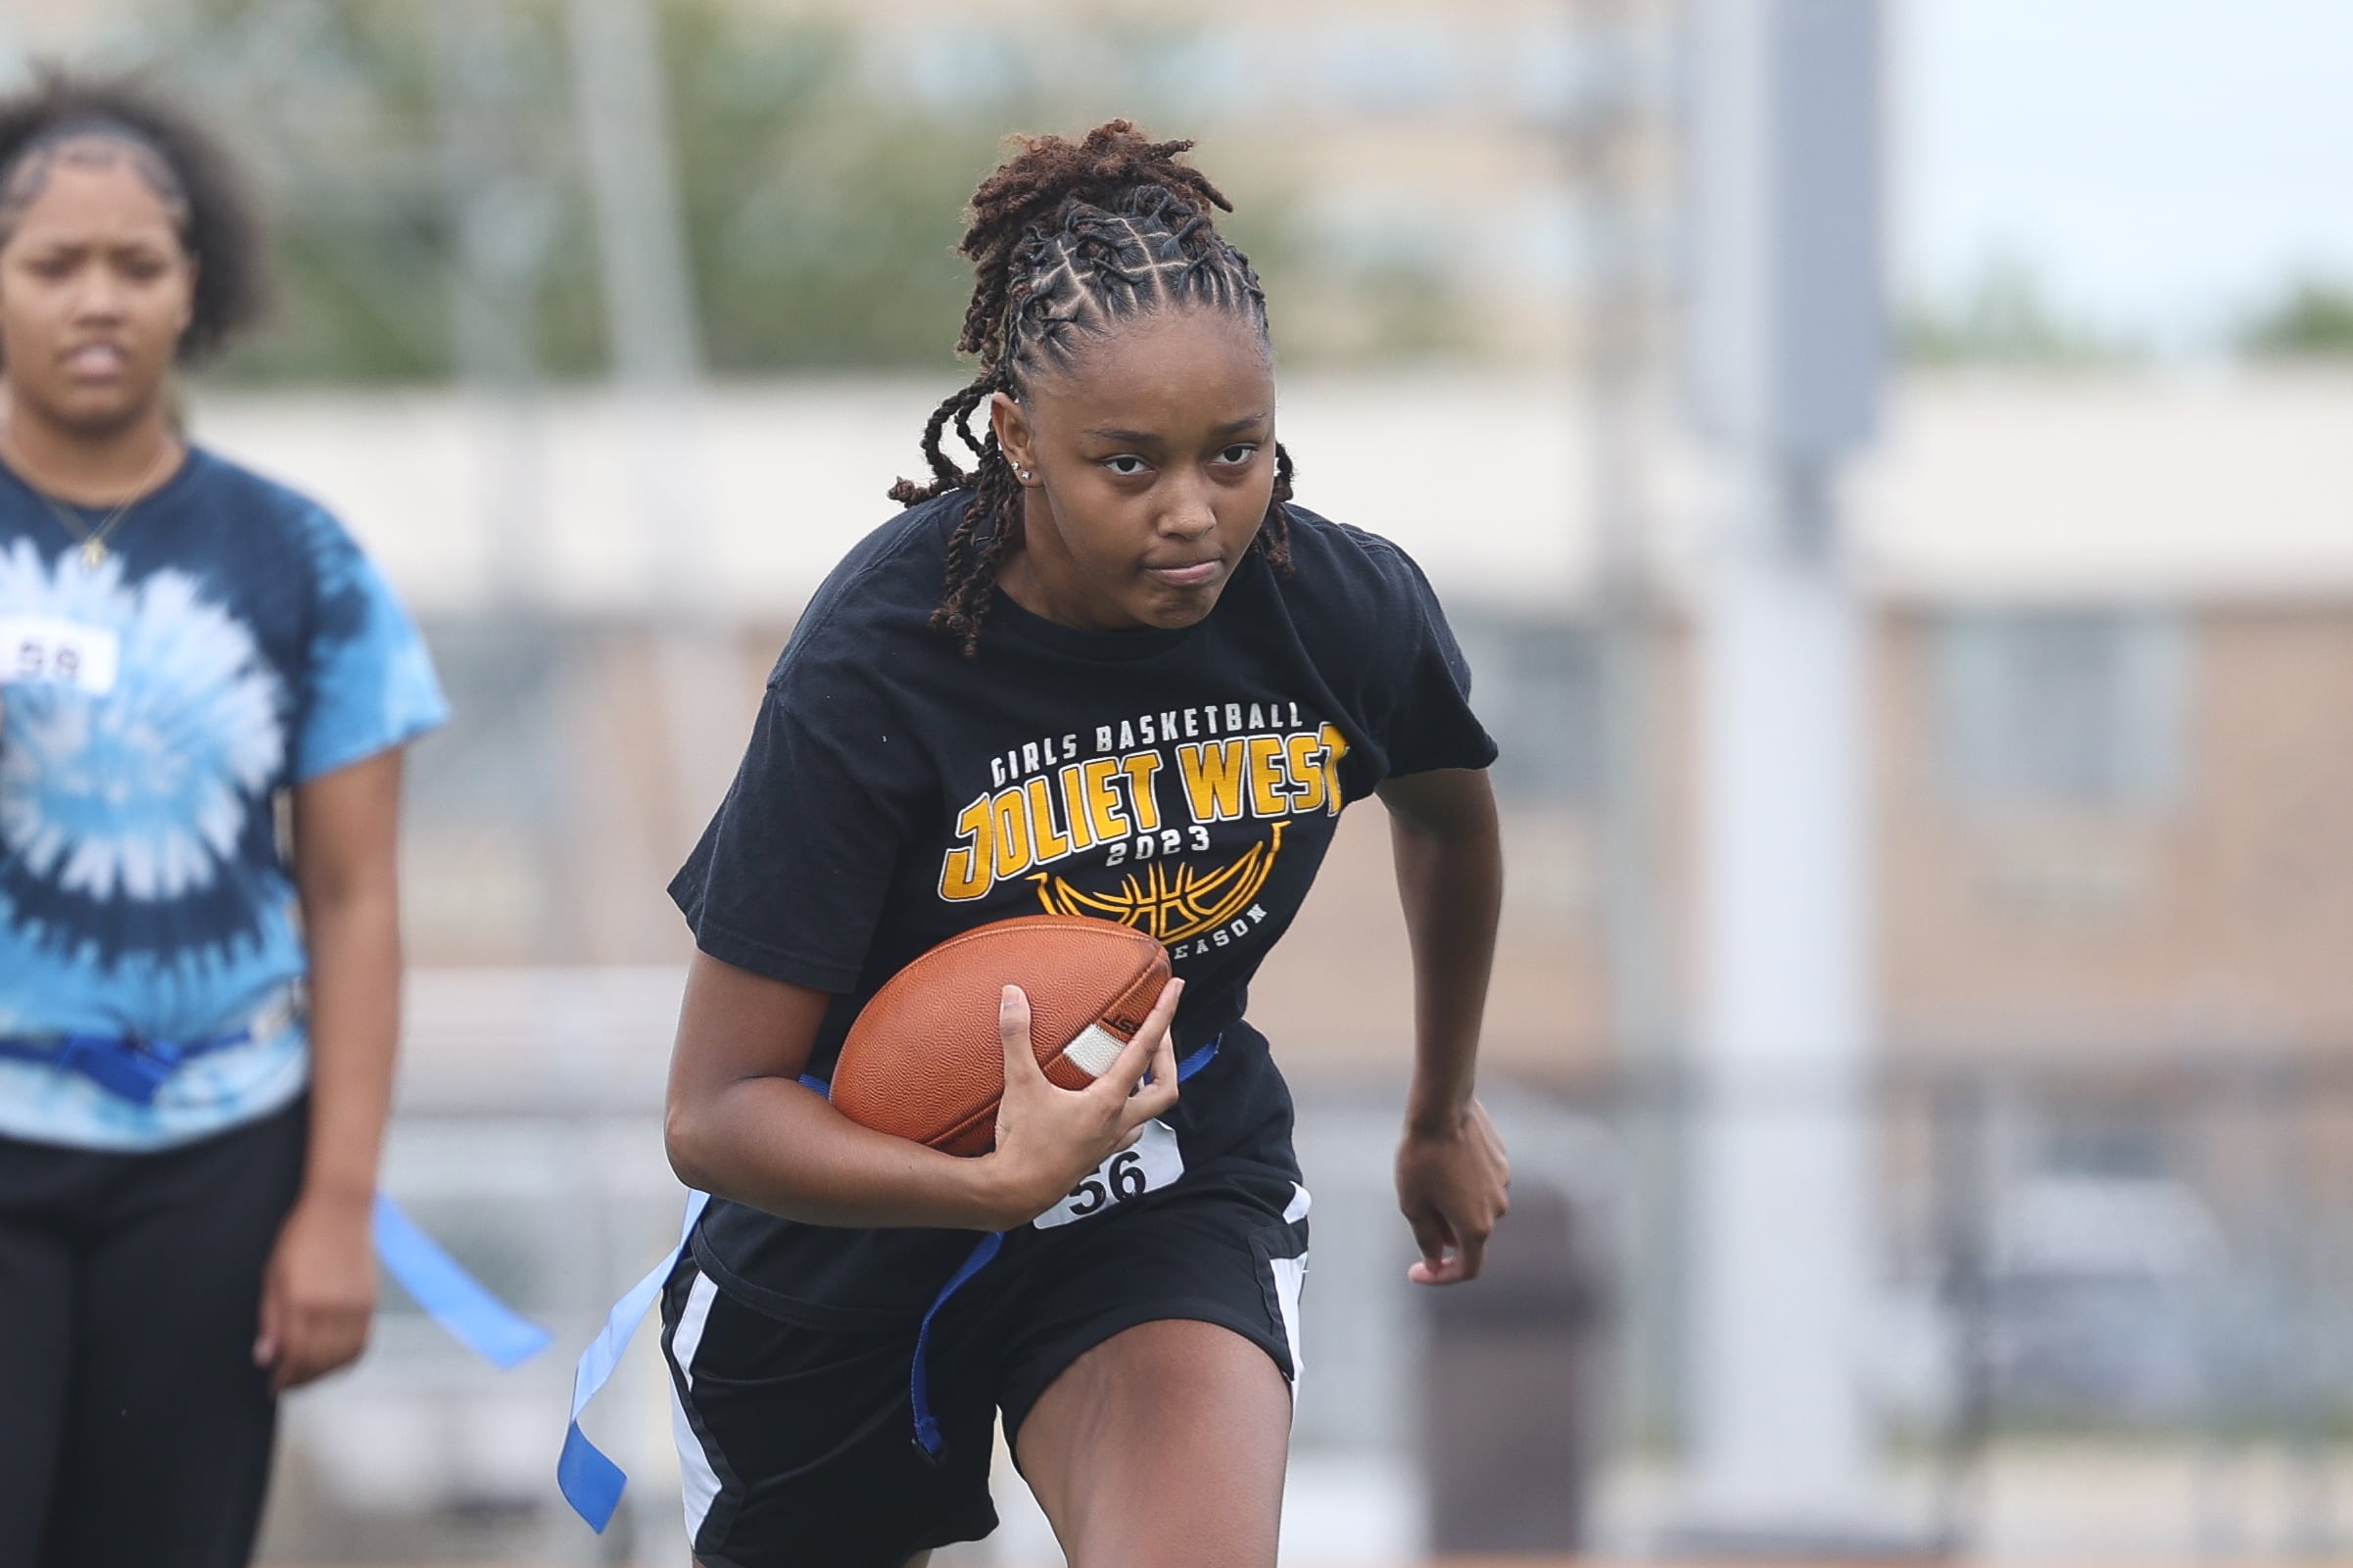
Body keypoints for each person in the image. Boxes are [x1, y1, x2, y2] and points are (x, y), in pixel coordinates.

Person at [659, 120, 1508, 1568]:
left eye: (1233, 452)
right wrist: (984, 1179)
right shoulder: (882, 657)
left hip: (1160, 1186)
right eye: (1128, 465)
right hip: (849, 1224)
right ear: (1014, 436)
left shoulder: (1336, 609)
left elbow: (1444, 817)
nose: (1194, 514)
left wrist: (1440, 1106)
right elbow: (714, 1110)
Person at [0, 74, 448, 1567]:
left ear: (199, 285)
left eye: (138, 261)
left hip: (215, 1158)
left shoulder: (301, 561)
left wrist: (335, 1204)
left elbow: (355, 898)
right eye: (51, 261)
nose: (97, 297)